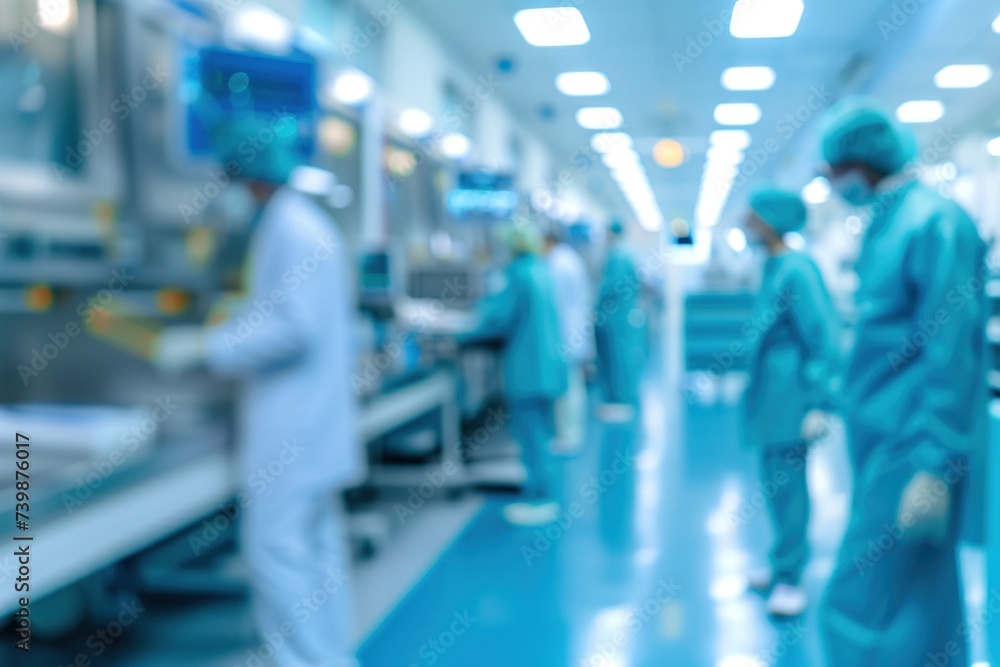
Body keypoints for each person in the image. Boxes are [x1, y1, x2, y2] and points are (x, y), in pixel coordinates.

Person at [153, 115, 360, 667]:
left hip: (291, 429)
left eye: (231, 180)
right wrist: (236, 324)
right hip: (314, 426)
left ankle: (306, 661)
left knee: (275, 552)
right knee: (315, 553)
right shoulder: (304, 224)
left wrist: (209, 347)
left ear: (250, 178)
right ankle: (330, 656)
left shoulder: (288, 229)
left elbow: (293, 327)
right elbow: (286, 313)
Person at [818, 100, 986, 665]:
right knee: (921, 596)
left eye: (834, 170)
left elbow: (950, 352)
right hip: (879, 441)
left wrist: (934, 466)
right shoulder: (888, 222)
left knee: (856, 602)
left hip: (909, 447)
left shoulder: (934, 222)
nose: (831, 181)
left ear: (860, 165)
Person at [740, 187, 840, 617]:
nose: (746, 222)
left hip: (792, 399)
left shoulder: (798, 270)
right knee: (775, 485)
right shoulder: (774, 266)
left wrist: (818, 401)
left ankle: (791, 578)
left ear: (772, 221)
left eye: (754, 215)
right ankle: (782, 560)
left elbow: (823, 338)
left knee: (790, 487)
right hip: (771, 398)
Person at [464, 223, 568, 526]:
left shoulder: (518, 274)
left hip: (528, 369)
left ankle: (540, 498)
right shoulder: (542, 270)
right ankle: (545, 492)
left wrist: (461, 332)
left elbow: (497, 317)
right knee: (542, 434)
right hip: (549, 367)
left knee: (531, 435)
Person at [545, 228, 594, 454]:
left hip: (565, 331)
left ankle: (568, 435)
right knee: (573, 383)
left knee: (568, 387)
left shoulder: (557, 263)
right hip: (574, 329)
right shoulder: (571, 258)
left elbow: (553, 301)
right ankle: (571, 432)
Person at [594, 220, 646, 422]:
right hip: (621, 317)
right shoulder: (625, 255)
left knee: (619, 360)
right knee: (622, 358)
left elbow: (609, 287)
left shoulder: (617, 256)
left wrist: (595, 302)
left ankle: (621, 402)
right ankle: (623, 400)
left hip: (616, 319)